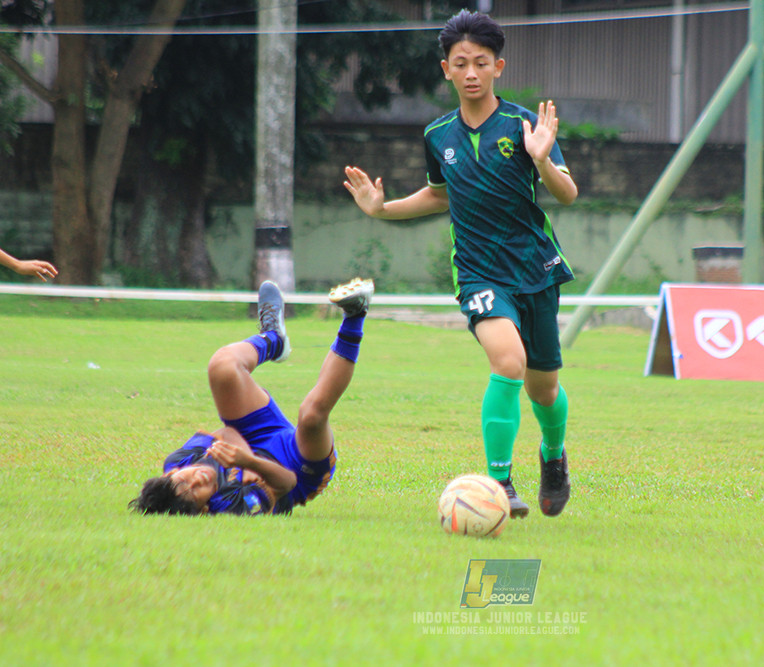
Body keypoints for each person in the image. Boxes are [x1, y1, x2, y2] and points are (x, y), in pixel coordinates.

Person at [343, 10, 576, 518]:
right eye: (461, 63)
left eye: (481, 63)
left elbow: (569, 192)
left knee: (544, 387)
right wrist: (382, 209)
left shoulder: (525, 125)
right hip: (478, 272)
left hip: (535, 268)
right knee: (507, 362)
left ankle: (554, 458)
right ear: (446, 69)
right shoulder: (438, 135)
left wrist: (540, 160)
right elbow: (439, 195)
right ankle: (498, 486)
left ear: (499, 67)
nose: (471, 72)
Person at [129, 277, 374, 515]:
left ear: (169, 474)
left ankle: (273, 339)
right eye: (196, 492)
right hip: (295, 467)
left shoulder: (179, 461)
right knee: (311, 415)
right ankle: (355, 314)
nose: (197, 480)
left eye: (185, 480)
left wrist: (245, 457)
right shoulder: (231, 506)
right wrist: (251, 463)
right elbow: (286, 482)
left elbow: (227, 432)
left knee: (222, 366)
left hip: (255, 438)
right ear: (204, 509)